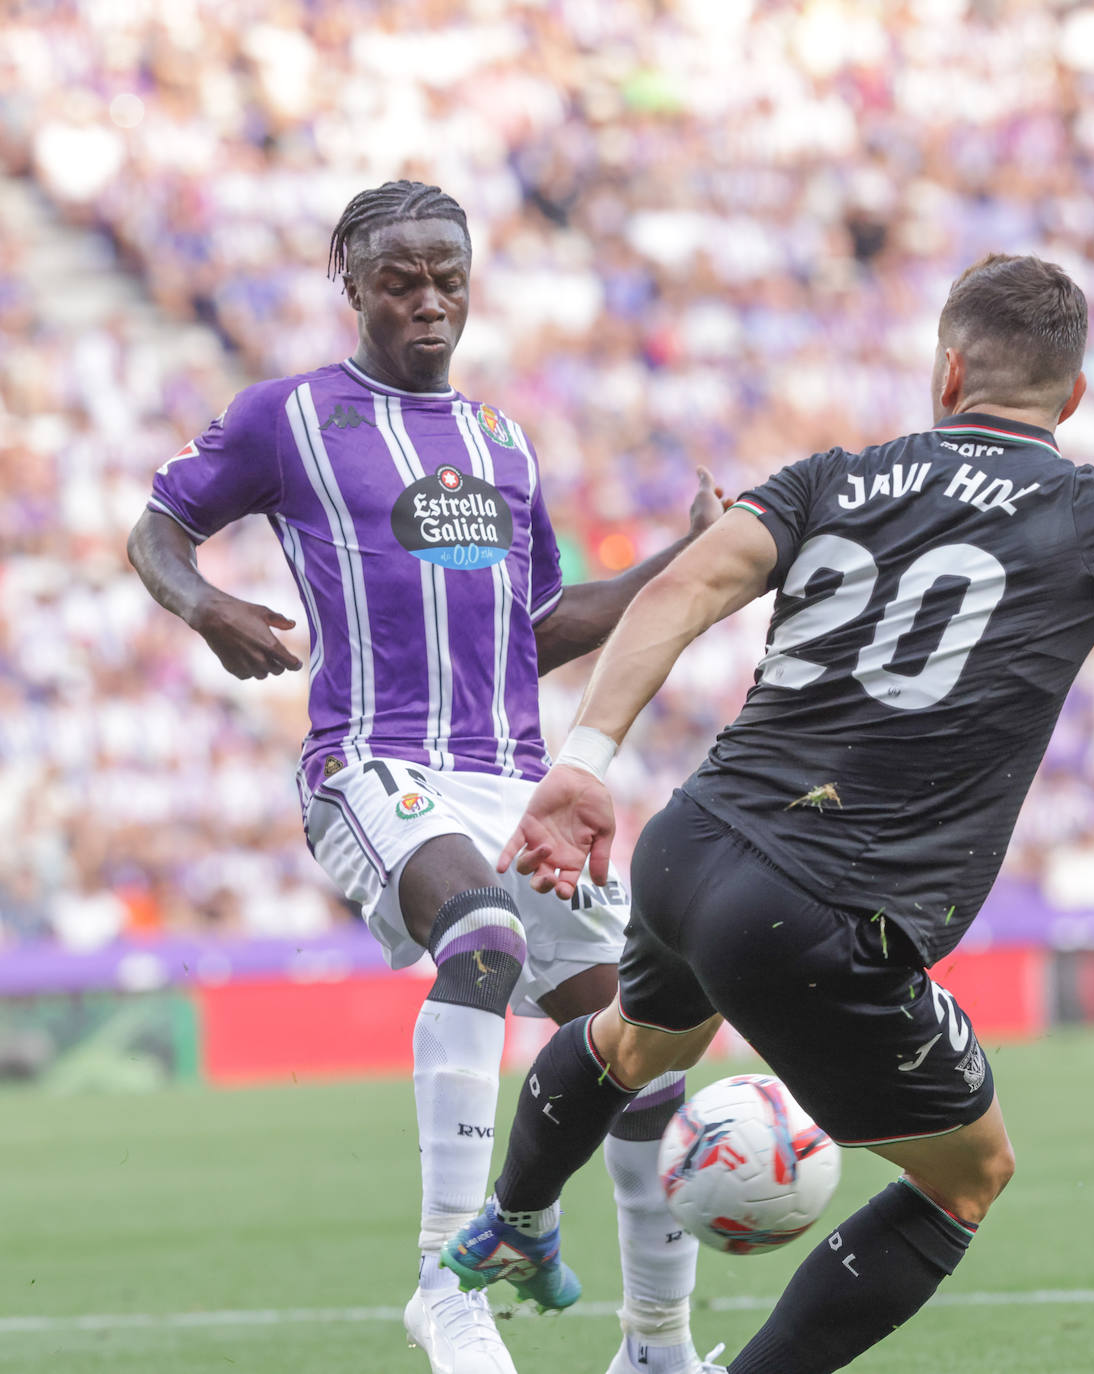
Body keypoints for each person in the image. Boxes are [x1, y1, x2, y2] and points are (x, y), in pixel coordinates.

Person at [438, 252, 1094, 1374]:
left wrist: (583, 761)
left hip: (689, 848)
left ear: (947, 370)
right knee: (967, 1177)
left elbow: (678, 588)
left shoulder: (832, 474)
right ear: (1070, 398)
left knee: (634, 1041)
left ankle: (513, 1216)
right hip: (820, 911)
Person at [126, 179, 724, 1374]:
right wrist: (204, 606)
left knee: (644, 1046)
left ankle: (655, 1346)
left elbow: (543, 626)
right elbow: (156, 526)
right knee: (484, 938)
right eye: (401, 281)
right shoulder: (286, 418)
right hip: (372, 761)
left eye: (448, 278)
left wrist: (681, 559)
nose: (430, 303)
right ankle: (444, 1281)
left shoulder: (503, 442)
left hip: (512, 779)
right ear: (349, 286)